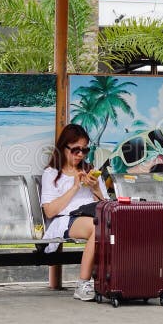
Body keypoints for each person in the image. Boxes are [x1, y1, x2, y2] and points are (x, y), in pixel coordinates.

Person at [40, 124, 108, 301]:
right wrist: (75, 187)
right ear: (63, 147)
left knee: (109, 223)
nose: (80, 155)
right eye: (76, 150)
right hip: (65, 219)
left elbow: (106, 205)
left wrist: (95, 188)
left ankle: (114, 278)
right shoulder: (52, 173)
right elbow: (49, 211)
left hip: (93, 215)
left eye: (85, 150)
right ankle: (83, 283)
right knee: (98, 227)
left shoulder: (90, 170)